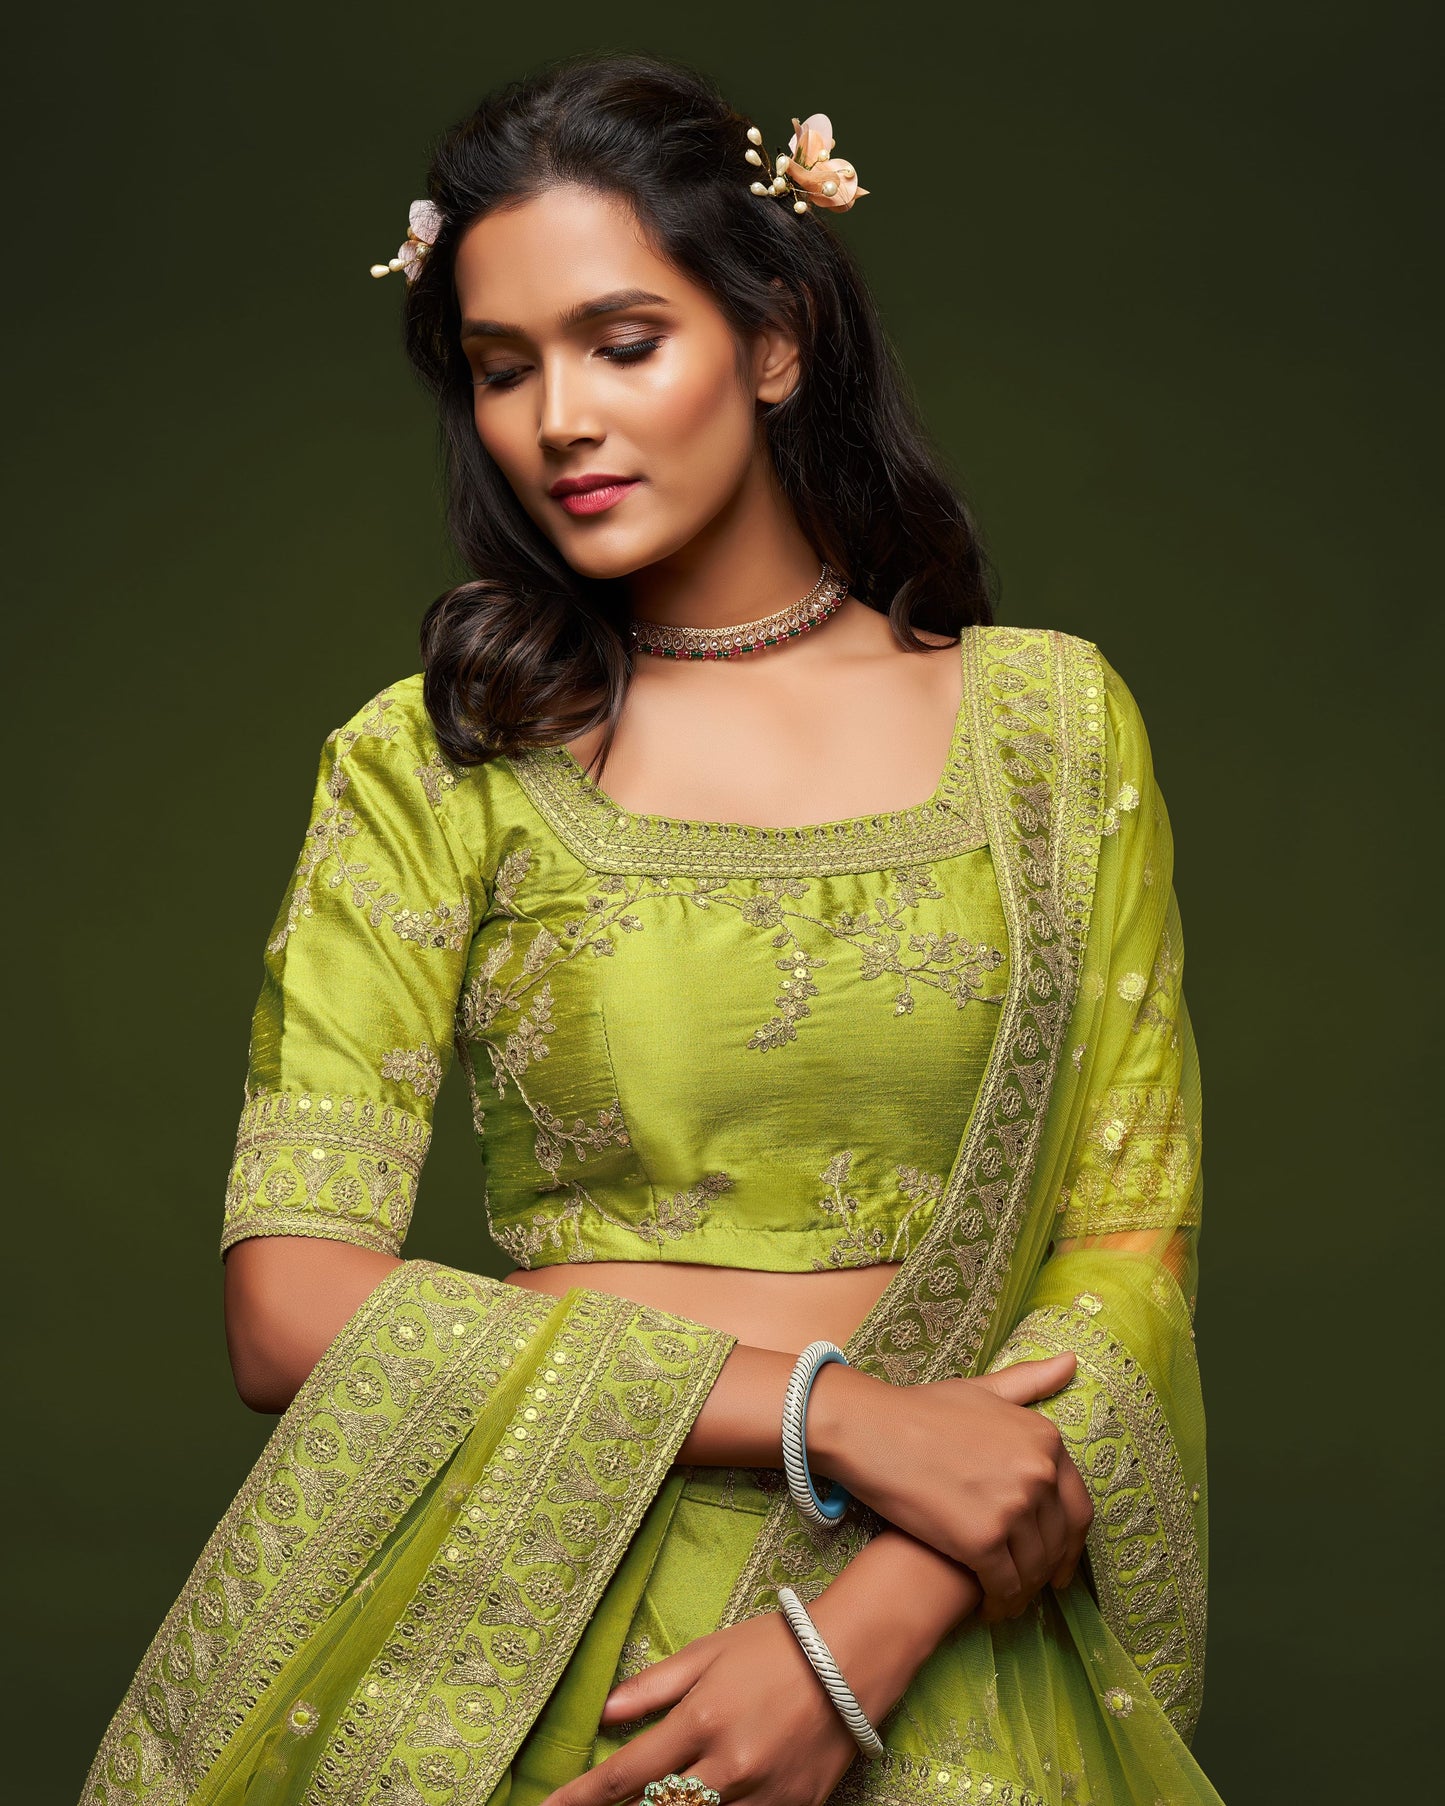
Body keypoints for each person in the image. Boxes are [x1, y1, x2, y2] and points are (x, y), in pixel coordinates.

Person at [79, 50, 1221, 1806]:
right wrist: (832, 1411)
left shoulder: (1053, 733)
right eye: (501, 368)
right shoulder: (431, 760)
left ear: (772, 340)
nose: (558, 422)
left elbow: (1123, 1255)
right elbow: (290, 1301)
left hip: (944, 1625)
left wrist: (867, 1629)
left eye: (622, 341)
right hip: (529, 1608)